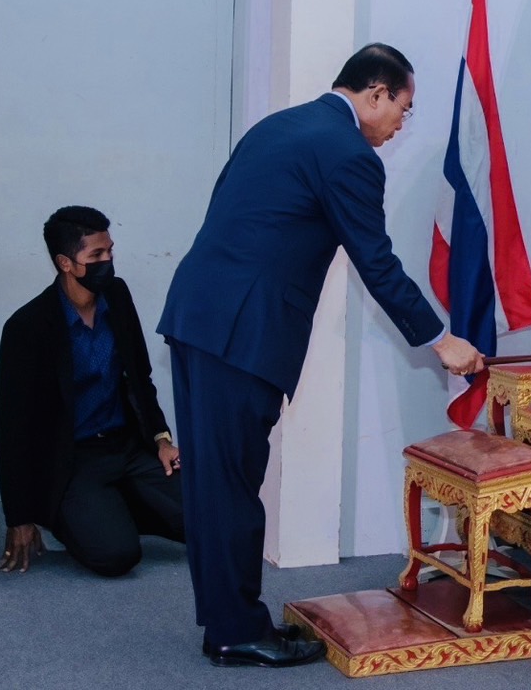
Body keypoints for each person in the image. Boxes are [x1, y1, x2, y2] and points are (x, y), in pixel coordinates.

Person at [158, 42, 484, 668]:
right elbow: (376, 261)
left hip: (201, 314)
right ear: (375, 92)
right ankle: (235, 632)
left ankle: (223, 621)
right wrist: (440, 340)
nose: (401, 124)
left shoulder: (281, 125)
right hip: (241, 333)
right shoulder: (347, 153)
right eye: (404, 108)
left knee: (212, 483)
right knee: (231, 486)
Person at [0, 206, 185, 578]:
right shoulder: (27, 327)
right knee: (116, 556)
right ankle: (79, 513)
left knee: (209, 520)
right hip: (74, 460)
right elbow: (14, 429)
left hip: (127, 446)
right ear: (66, 262)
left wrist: (162, 440)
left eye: (110, 251)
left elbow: (140, 377)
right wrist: (20, 517)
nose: (108, 261)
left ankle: (115, 503)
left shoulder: (117, 295)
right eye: (96, 255)